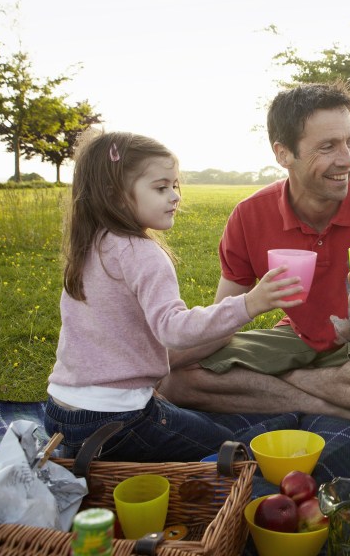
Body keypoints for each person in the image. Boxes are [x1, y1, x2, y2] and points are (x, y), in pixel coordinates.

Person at [158, 81, 350, 430]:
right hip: (297, 339)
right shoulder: (250, 215)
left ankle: (284, 389)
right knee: (171, 377)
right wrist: (165, 360)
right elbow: (221, 321)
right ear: (284, 154)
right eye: (328, 146)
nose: (347, 159)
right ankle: (338, 409)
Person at [44, 130, 306, 461]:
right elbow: (174, 330)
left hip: (60, 414)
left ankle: (93, 459)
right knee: (227, 445)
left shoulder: (89, 245)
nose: (174, 196)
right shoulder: (143, 254)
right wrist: (250, 303)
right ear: (114, 194)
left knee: (186, 423)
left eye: (174, 185)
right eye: (160, 187)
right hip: (117, 421)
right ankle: (289, 427)